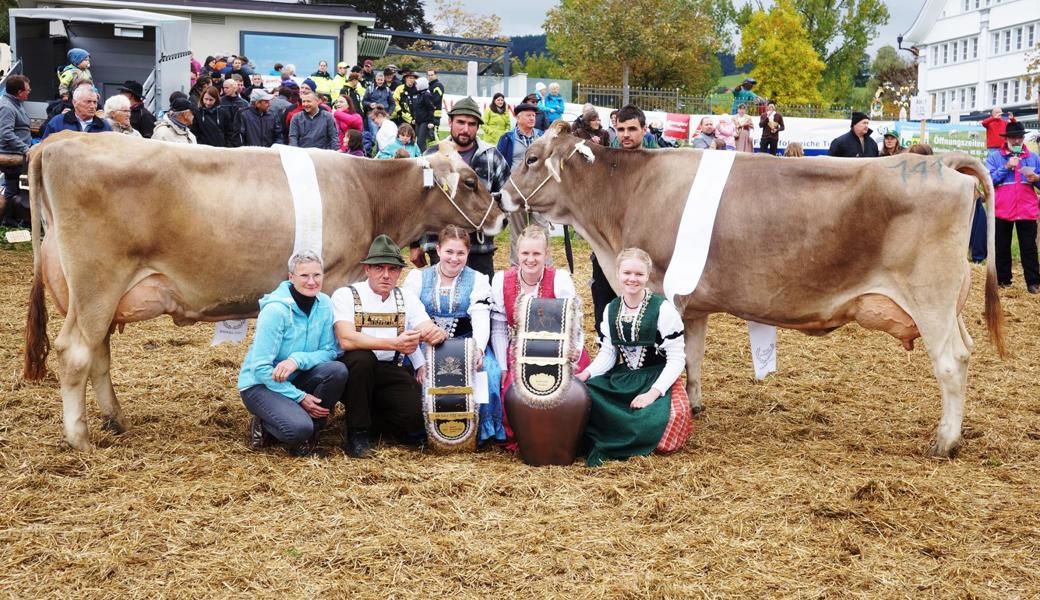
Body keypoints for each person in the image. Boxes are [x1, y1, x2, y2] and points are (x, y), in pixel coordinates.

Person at [332, 235, 447, 458]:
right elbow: (346, 339)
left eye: (392, 269)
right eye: (379, 268)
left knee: (415, 416)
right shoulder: (346, 294)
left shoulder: (406, 297)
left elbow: (424, 325)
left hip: (388, 369)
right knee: (362, 359)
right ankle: (358, 434)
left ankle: (368, 416)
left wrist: (435, 332)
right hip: (352, 372)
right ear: (367, 269)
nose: (386, 275)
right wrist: (394, 343)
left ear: (399, 272)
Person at [576, 248, 690, 466]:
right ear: (618, 274)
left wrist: (652, 394)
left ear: (647, 276)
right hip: (624, 379)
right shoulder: (611, 309)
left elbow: (677, 359)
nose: (632, 279)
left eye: (639, 274)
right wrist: (587, 373)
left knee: (653, 421)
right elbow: (609, 353)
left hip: (655, 378)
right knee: (586, 394)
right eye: (627, 273)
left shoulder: (663, 310)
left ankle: (622, 439)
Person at [401, 225, 504, 445]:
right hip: (424, 344)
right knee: (412, 375)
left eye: (461, 253)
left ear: (468, 253)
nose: (454, 259)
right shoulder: (417, 278)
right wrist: (418, 362)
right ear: (438, 250)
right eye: (449, 251)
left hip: (466, 340)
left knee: (489, 371)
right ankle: (429, 429)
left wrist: (478, 348)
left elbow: (480, 315)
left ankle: (479, 431)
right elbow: (408, 320)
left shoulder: (477, 279)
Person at [238, 251, 347, 457]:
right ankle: (266, 423)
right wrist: (299, 397)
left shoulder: (324, 304)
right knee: (298, 428)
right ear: (291, 277)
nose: (312, 282)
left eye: (317, 275)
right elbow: (260, 368)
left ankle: (310, 437)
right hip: (261, 385)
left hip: (294, 377)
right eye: (304, 275)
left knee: (337, 371)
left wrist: (297, 360)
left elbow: (330, 351)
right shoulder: (275, 311)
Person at [490, 225, 590, 449]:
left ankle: (563, 435)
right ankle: (527, 437)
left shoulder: (560, 279)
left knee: (571, 389)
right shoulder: (501, 281)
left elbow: (576, 321)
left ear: (547, 254)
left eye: (536, 253)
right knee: (512, 390)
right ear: (517, 253)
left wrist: (574, 349)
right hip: (519, 348)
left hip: (559, 346)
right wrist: (502, 366)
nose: (530, 259)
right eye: (525, 253)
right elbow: (498, 328)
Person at [418, 96, 510, 279]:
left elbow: (507, 197)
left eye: (472, 124)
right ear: (450, 121)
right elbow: (418, 202)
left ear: (478, 127)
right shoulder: (431, 156)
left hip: (479, 247)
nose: (465, 129)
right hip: (441, 247)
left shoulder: (491, 156)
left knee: (481, 301)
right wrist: (415, 245)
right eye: (460, 122)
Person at [986, 120, 1040, 293]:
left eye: (1019, 137)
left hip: (1026, 209)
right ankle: (1003, 282)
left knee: (1029, 248)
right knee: (1002, 247)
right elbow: (988, 182)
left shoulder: (1033, 157)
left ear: (1023, 138)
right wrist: (1006, 167)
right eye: (1012, 137)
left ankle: (1033, 283)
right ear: (1006, 138)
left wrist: (1037, 180)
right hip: (1003, 209)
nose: (1016, 141)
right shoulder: (995, 157)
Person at [0, 74, 31, 227]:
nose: (29, 90)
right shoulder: (7, 106)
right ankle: (7, 220)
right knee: (12, 190)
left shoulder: (16, 103)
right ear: (19, 92)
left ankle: (12, 218)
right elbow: (5, 133)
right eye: (27, 89)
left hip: (19, 154)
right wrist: (25, 148)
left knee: (17, 188)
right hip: (12, 155)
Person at [41, 86, 111, 138]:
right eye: (88, 102)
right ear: (75, 103)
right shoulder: (57, 122)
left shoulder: (104, 126)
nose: (93, 106)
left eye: (95, 102)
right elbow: (44, 149)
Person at [411, 77, 439, 151]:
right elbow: (417, 109)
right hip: (418, 121)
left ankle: (423, 156)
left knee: (421, 142)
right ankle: (418, 155)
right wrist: (415, 118)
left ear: (422, 85)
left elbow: (431, 108)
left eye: (417, 84)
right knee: (417, 141)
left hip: (424, 122)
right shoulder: (419, 94)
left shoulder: (426, 95)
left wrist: (431, 122)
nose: (416, 86)